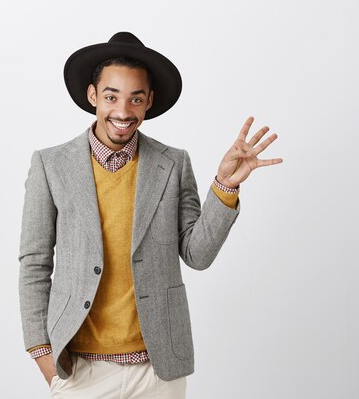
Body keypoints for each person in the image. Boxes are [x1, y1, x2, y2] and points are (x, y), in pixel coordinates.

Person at [18, 32, 283, 398]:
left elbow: (197, 254)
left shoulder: (173, 164)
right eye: (111, 96)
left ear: (149, 102)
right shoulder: (50, 165)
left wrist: (224, 186)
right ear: (93, 96)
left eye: (135, 99)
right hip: (80, 370)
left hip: (158, 372)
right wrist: (43, 356)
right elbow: (34, 262)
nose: (123, 112)